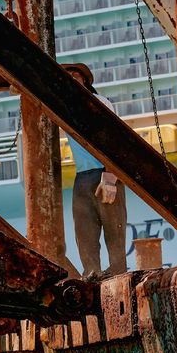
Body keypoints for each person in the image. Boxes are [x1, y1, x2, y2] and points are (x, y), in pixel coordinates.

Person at [65, 63, 128, 278]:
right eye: (68, 76)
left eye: (76, 75)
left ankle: (119, 272)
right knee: (84, 231)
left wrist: (112, 174)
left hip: (104, 172)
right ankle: (91, 274)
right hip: (82, 176)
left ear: (85, 80)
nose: (71, 78)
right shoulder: (64, 107)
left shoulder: (99, 103)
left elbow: (115, 138)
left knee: (114, 229)